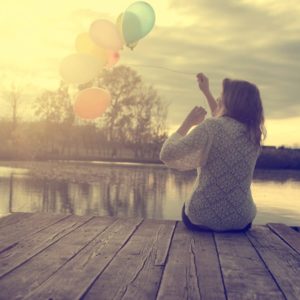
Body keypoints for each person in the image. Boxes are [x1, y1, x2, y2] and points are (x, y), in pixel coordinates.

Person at [159, 73, 266, 232]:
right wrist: (206, 91)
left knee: (187, 206)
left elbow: (167, 154)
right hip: (241, 222)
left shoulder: (212, 127)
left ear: (230, 102)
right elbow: (224, 122)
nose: (218, 98)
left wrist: (188, 123)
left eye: (222, 96)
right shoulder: (254, 135)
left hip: (200, 218)